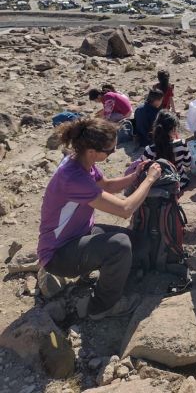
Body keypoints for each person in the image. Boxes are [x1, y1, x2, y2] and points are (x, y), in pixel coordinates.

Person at [37, 117, 162, 320]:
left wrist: (134, 175)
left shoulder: (82, 161)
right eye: (110, 151)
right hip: (57, 254)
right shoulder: (73, 177)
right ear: (92, 152)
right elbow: (125, 209)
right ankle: (101, 306)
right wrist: (149, 179)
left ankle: (108, 277)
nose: (113, 153)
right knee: (120, 246)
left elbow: (107, 185)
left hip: (81, 235)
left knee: (139, 243)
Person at [142, 110, 191, 191]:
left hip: (159, 187)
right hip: (180, 182)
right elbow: (187, 163)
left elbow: (143, 168)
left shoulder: (150, 150)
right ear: (174, 129)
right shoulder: (181, 144)